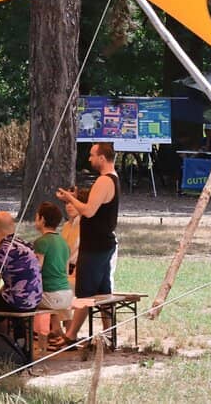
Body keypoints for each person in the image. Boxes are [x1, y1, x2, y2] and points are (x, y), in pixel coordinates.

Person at [57, 142, 121, 346]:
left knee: (85, 293)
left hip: (95, 246)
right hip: (102, 243)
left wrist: (69, 198)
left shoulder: (104, 180)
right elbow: (95, 205)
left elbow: (88, 211)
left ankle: (70, 336)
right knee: (103, 292)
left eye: (93, 155)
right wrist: (76, 198)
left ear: (102, 157)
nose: (90, 159)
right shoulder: (111, 179)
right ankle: (109, 334)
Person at [0, 213, 42, 327]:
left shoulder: (3, 250)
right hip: (36, 299)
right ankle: (19, 339)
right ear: (13, 225)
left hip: (19, 302)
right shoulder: (26, 245)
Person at [32, 202, 73, 349]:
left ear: (42, 219)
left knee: (24, 300)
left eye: (37, 216)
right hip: (67, 295)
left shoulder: (41, 242)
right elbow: (66, 270)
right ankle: (55, 330)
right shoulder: (64, 243)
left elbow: (36, 271)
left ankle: (40, 335)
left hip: (50, 295)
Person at [59, 188, 87, 287]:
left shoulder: (85, 226)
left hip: (80, 271)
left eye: (72, 202)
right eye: (67, 203)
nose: (69, 206)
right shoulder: (66, 226)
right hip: (64, 269)